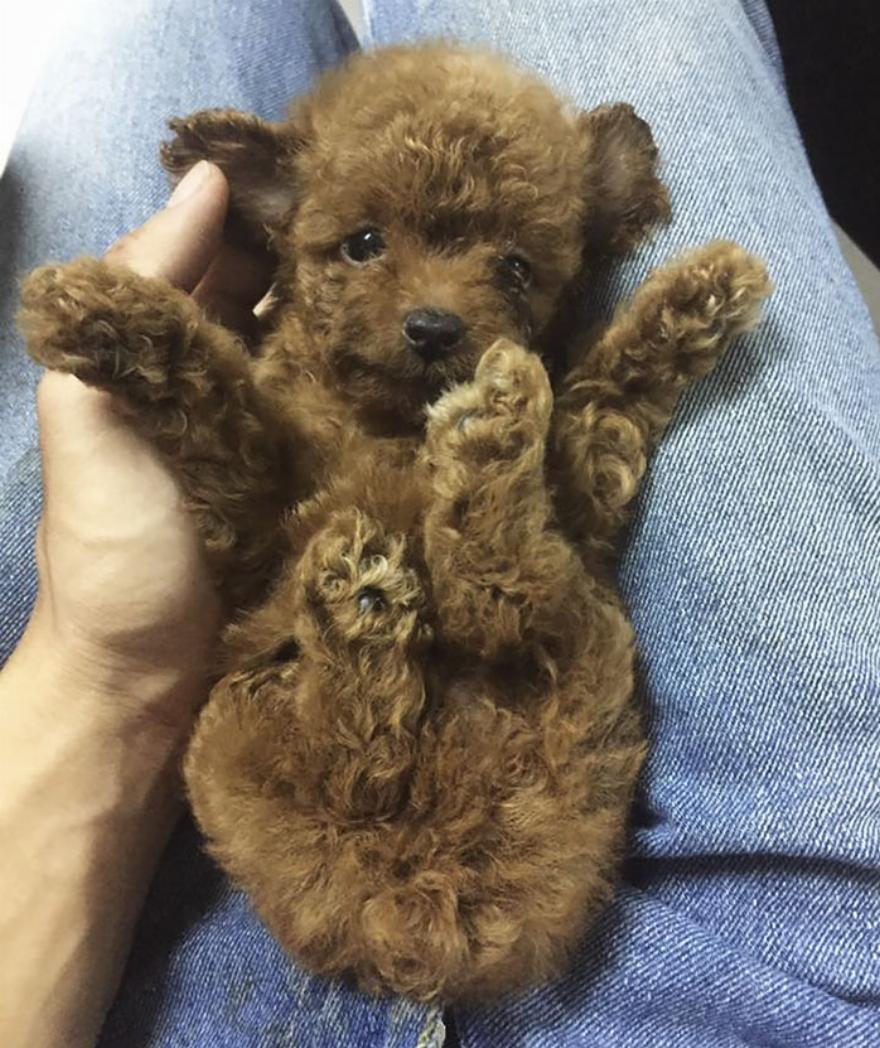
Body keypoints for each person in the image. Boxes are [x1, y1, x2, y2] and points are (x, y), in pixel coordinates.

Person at [0, 1, 878, 1045]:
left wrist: (96, 675)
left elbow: (580, 476)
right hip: (742, 955)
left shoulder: (504, 397)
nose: (434, 307)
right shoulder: (320, 399)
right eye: (366, 243)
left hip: (441, 848)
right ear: (276, 209)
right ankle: (416, 601)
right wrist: (172, 360)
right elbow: (240, 479)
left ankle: (448, 564)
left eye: (511, 268)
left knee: (160, 22)